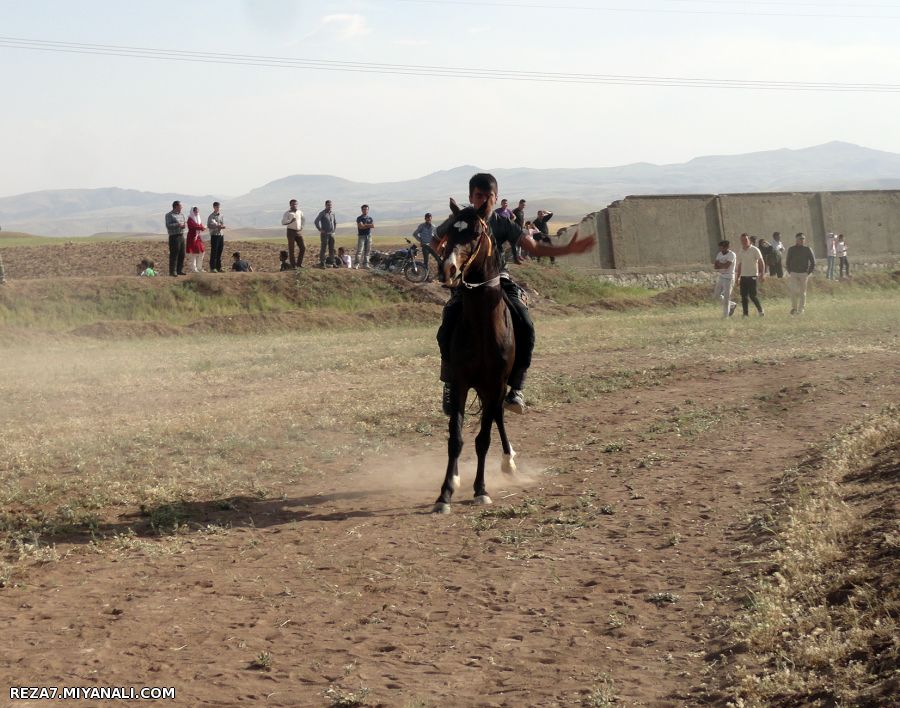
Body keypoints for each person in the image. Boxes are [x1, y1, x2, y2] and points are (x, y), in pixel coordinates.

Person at [436, 173, 594, 415]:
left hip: (499, 281)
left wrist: (567, 249)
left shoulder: (503, 223)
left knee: (526, 324)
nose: (484, 200)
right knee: (446, 327)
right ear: (470, 197)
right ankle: (449, 383)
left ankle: (516, 388)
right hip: (466, 286)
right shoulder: (460, 219)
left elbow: (533, 247)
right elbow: (436, 240)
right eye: (479, 196)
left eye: (489, 196)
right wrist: (446, 261)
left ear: (496, 197)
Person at [735, 232, 765, 317]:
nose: (744, 241)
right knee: (743, 296)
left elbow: (761, 262)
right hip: (743, 277)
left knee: (752, 295)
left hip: (753, 276)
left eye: (746, 240)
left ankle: (760, 310)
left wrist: (762, 273)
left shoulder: (755, 250)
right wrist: (737, 277)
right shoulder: (740, 251)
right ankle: (745, 314)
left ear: (749, 240)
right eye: (742, 240)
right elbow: (740, 265)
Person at [785, 233, 816, 315]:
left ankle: (801, 309)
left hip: (804, 273)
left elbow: (813, 262)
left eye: (803, 239)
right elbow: (787, 261)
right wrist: (790, 271)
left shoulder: (807, 249)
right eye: (800, 239)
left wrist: (808, 273)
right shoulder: (791, 249)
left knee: (803, 292)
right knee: (793, 291)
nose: (802, 240)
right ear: (796, 239)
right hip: (794, 273)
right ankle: (794, 309)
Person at [712, 240, 737, 318]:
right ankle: (732, 305)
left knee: (726, 297)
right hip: (721, 276)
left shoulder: (732, 255)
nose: (720, 249)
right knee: (716, 296)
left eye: (722, 247)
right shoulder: (719, 254)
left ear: (726, 247)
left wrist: (720, 264)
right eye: (720, 247)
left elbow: (726, 266)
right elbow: (715, 266)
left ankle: (725, 317)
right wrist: (721, 264)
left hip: (729, 277)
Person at [281, 199, 305, 268]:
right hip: (291, 231)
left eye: (295, 204)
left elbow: (303, 219)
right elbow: (283, 222)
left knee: (303, 248)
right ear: (290, 205)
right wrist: (291, 221)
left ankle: (299, 264)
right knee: (291, 249)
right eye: (293, 204)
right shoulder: (287, 213)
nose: (294, 205)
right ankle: (293, 265)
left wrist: (302, 226)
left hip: (298, 232)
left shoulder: (300, 212)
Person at [165, 200, 187, 277]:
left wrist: (183, 226)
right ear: (176, 206)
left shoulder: (182, 215)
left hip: (181, 235)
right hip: (174, 236)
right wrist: (177, 224)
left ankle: (179, 270)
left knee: (182, 254)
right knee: (174, 254)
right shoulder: (169, 215)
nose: (181, 207)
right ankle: (172, 271)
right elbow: (168, 225)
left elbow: (183, 223)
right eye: (180, 206)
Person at [314, 199, 337, 269]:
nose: (329, 206)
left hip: (332, 234)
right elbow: (316, 221)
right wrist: (320, 229)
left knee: (331, 248)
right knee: (323, 248)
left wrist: (334, 230)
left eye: (330, 205)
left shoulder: (333, 213)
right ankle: (322, 262)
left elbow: (335, 222)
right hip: (325, 234)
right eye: (328, 205)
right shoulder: (322, 213)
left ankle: (332, 262)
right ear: (325, 205)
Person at [207, 202, 226, 273]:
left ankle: (219, 267)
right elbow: (209, 225)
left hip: (221, 235)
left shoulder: (221, 215)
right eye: (216, 207)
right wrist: (216, 226)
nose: (218, 208)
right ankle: (212, 268)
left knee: (219, 252)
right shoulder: (211, 216)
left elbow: (222, 224)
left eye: (218, 207)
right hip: (214, 235)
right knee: (214, 252)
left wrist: (222, 226)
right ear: (214, 207)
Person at [186, 206, 206, 273]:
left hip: (198, 238)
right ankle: (193, 269)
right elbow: (194, 226)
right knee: (193, 253)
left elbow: (200, 226)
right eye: (195, 211)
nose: (197, 212)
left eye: (197, 211)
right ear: (192, 211)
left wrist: (202, 227)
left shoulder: (198, 218)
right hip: (192, 238)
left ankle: (199, 268)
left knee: (202, 252)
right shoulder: (190, 219)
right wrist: (202, 228)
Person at [355, 204, 375, 269]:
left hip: (369, 236)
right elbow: (360, 227)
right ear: (361, 210)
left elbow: (373, 226)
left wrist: (365, 225)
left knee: (367, 251)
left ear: (368, 210)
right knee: (359, 250)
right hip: (361, 236)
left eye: (366, 209)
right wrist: (368, 225)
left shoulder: (370, 218)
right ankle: (356, 264)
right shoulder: (359, 218)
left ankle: (366, 264)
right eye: (364, 209)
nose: (365, 210)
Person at [510, 199, 527, 264]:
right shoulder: (514, 211)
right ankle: (515, 257)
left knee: (520, 243)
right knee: (515, 243)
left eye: (524, 205)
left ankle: (519, 255)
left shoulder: (522, 212)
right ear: (519, 204)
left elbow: (523, 219)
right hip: (515, 230)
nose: (523, 206)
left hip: (521, 229)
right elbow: (510, 220)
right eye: (522, 205)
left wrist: (523, 225)